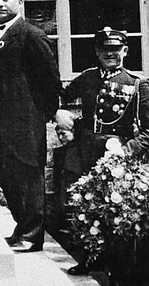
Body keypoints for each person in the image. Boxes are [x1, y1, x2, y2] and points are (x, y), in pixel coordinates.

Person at [0, 0, 61, 252]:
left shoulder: (31, 35)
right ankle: (21, 227)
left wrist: (41, 115)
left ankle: (33, 235)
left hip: (24, 124)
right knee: (9, 179)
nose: (1, 4)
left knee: (28, 180)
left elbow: (50, 81)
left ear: (19, 3)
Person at [57, 27, 149, 275]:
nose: (110, 54)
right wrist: (61, 115)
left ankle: (117, 266)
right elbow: (61, 97)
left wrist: (127, 150)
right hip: (84, 149)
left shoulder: (136, 83)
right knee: (77, 203)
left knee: (115, 207)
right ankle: (89, 257)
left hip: (116, 153)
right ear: (97, 52)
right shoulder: (87, 78)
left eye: (115, 49)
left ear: (125, 51)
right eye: (104, 49)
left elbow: (148, 131)